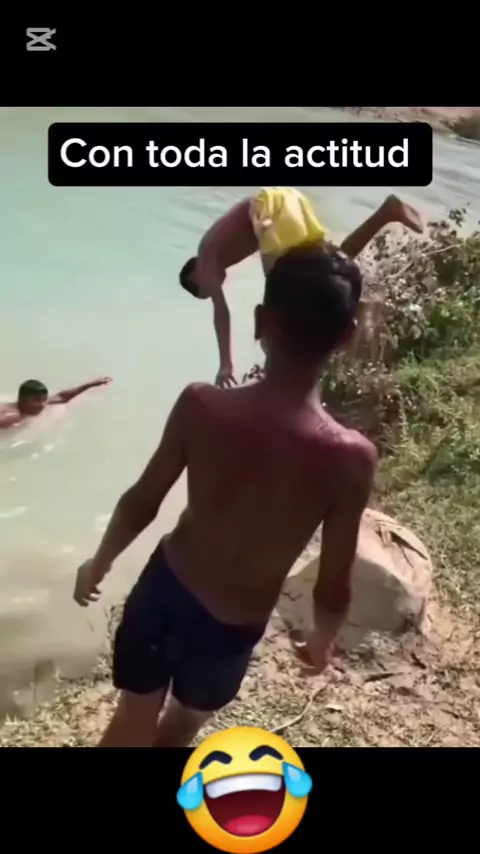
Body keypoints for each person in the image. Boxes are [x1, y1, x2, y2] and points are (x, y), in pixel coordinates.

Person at [73, 244, 377, 748]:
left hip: (163, 591)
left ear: (260, 322)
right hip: (230, 628)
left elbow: (142, 501)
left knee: (132, 718)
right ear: (347, 338)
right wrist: (322, 639)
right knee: (182, 726)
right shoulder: (350, 459)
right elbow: (333, 583)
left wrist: (100, 561)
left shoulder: (200, 405)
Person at [179, 188, 424, 388]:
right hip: (287, 200)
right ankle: (386, 213)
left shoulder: (207, 254)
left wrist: (226, 364)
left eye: (205, 290)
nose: (214, 288)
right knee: (329, 265)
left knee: (286, 294)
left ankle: (277, 380)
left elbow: (221, 312)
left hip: (270, 209)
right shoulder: (223, 250)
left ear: (195, 275)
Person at [0, 377, 113, 429]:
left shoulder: (37, 406)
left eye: (44, 399)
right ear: (23, 399)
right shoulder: (13, 416)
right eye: (36, 400)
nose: (42, 404)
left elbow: (62, 397)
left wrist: (91, 384)